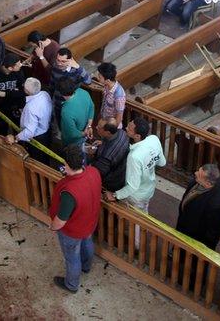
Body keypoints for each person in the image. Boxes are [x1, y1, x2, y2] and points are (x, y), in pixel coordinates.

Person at [48, 145, 101, 293]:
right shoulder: (93, 172)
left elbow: (61, 220)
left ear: (67, 165)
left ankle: (71, 285)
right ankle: (86, 266)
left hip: (72, 231)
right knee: (87, 243)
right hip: (90, 222)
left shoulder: (70, 191)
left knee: (72, 257)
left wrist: (53, 226)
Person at [105, 117, 166, 219]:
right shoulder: (154, 139)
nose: (125, 128)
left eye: (129, 128)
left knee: (135, 221)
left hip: (136, 195)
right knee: (144, 212)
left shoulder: (134, 156)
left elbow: (133, 186)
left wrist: (115, 195)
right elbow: (162, 162)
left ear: (137, 136)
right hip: (149, 188)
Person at [176, 164, 220, 250]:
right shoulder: (199, 181)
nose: (195, 173)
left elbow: (213, 232)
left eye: (199, 174)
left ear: (208, 183)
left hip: (195, 239)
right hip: (184, 226)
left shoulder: (216, 205)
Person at [5, 77, 53, 154]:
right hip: (47, 131)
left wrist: (16, 138)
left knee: (37, 158)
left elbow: (29, 131)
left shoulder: (30, 108)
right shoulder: (45, 94)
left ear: (27, 91)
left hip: (37, 138)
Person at [0, 53, 25, 134]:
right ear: (10, 68)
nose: (21, 65)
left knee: (17, 131)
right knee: (3, 131)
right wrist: (14, 92)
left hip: (16, 108)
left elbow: (22, 92)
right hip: (1, 110)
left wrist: (6, 94)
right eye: (18, 64)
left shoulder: (19, 72)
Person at [90, 119, 129, 193]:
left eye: (99, 127)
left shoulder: (107, 156)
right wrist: (102, 144)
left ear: (108, 132)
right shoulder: (122, 133)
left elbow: (97, 172)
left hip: (112, 180)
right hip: (121, 168)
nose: (96, 127)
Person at [57, 79, 95, 153]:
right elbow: (92, 107)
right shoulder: (83, 92)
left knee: (71, 156)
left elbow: (71, 134)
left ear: (61, 93)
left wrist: (84, 133)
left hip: (73, 142)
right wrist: (89, 126)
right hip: (85, 133)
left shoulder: (66, 111)